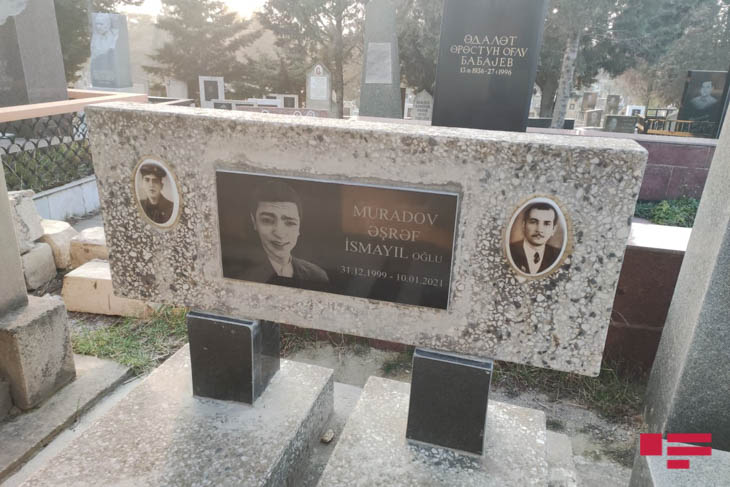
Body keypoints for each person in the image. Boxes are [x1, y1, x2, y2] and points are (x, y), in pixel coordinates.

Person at [229, 180, 329, 285]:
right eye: (267, 220)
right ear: (254, 222)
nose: (279, 233)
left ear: (299, 227)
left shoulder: (317, 276)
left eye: (290, 223)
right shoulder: (239, 277)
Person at [509, 202, 561, 275]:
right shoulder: (510, 251)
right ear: (524, 225)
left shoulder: (558, 256)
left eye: (546, 224)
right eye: (533, 222)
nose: (539, 229)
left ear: (553, 229)